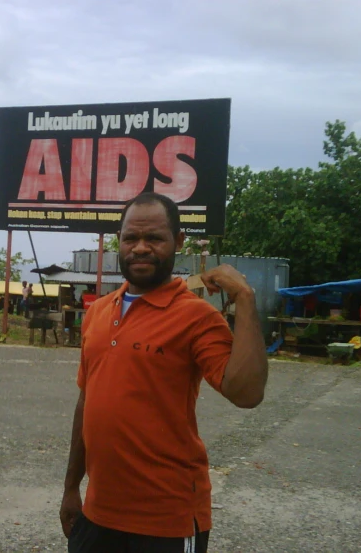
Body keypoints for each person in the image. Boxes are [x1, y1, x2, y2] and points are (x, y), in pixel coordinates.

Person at [60, 192, 268, 553]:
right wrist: (69, 489)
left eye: (154, 238)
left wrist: (246, 299)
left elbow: (246, 393)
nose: (140, 248)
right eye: (130, 238)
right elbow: (86, 401)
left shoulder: (196, 316)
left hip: (165, 522)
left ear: (179, 242)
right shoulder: (98, 311)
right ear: (119, 241)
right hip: (97, 516)